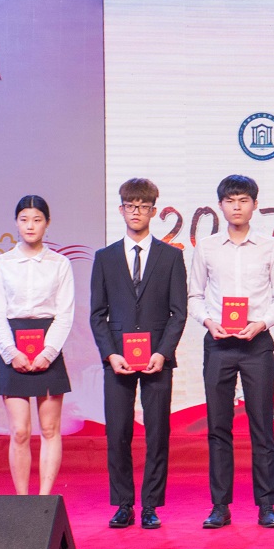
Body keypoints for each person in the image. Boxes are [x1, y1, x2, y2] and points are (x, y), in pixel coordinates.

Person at [188, 174, 274, 529]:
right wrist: (208, 321)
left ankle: (267, 506)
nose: (236, 207)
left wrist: (261, 323)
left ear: (255, 205)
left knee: (262, 425)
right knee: (219, 427)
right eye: (230, 200)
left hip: (256, 344)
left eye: (243, 200)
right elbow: (194, 295)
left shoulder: (270, 247)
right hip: (218, 343)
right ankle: (220, 506)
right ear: (220, 205)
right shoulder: (207, 247)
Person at [90, 178, 188, 529]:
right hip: (117, 359)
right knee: (117, 432)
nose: (136, 212)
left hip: (157, 359)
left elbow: (179, 312)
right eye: (131, 206)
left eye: (143, 206)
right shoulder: (104, 258)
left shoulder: (171, 256)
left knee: (157, 432)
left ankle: (150, 506)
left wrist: (163, 352)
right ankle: (123, 504)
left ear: (153, 211)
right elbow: (97, 314)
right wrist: (110, 354)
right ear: (121, 210)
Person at [0, 195, 74, 495]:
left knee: (49, 429)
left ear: (47, 223)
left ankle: (44, 500)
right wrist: (11, 353)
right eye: (24, 219)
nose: (30, 226)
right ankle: (23, 501)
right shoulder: (2, 264)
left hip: (49, 343)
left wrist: (48, 352)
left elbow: (64, 313)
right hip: (12, 345)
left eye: (37, 220)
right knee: (20, 430)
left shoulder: (60, 264)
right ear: (16, 222)